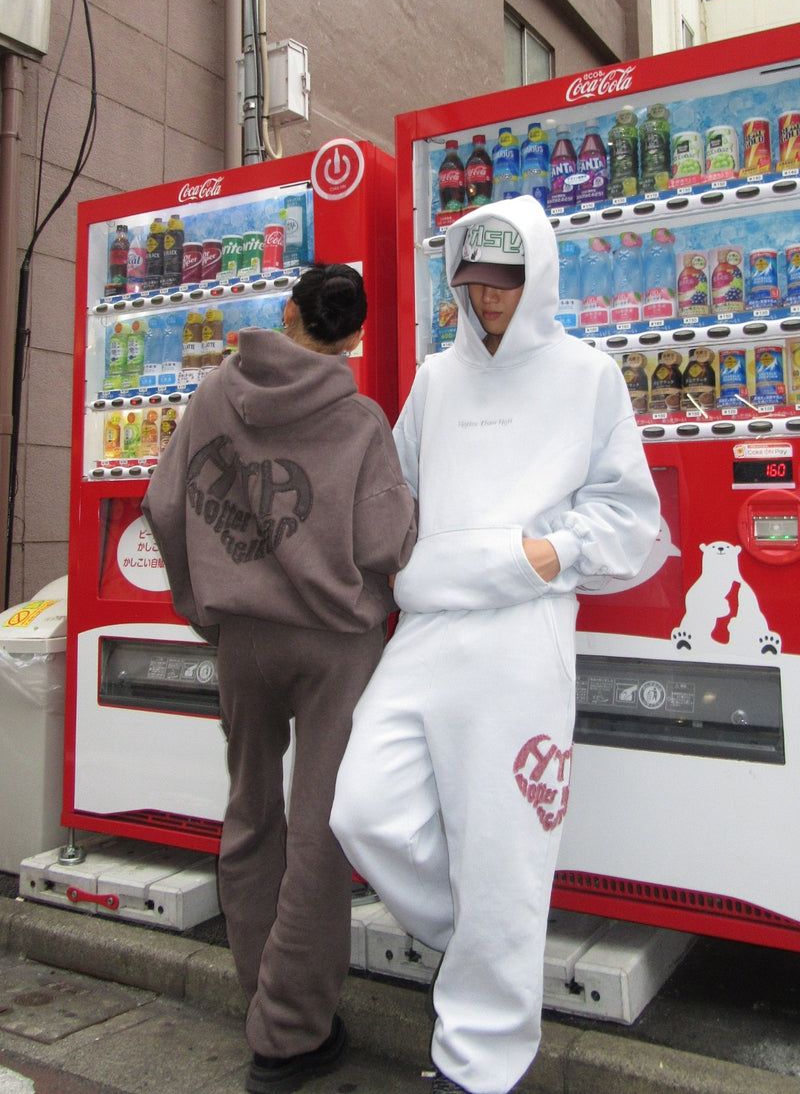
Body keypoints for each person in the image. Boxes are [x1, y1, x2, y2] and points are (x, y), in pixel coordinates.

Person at [331, 197, 660, 1094]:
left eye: (506, 281)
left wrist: (545, 554)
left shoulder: (589, 374)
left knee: (506, 848)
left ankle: (479, 1069)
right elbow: (395, 490)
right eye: (474, 281)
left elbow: (633, 519)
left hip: (522, 629)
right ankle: (483, 936)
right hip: (430, 626)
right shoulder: (437, 378)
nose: (489, 300)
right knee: (361, 808)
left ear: (539, 275)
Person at [141, 263, 417, 1094]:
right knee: (318, 828)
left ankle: (263, 999)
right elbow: (386, 544)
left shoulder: (214, 396)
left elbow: (162, 504)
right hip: (335, 647)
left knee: (250, 815)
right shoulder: (361, 419)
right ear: (354, 338)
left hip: (243, 639)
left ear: (287, 312)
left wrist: (208, 608)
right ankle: (290, 1033)